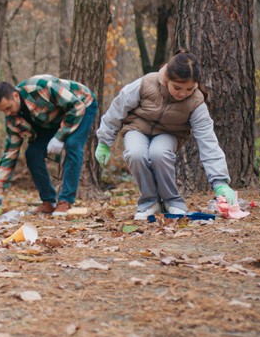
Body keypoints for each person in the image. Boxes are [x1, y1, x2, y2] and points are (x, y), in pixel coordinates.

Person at [93, 50, 237, 220]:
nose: (182, 93)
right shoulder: (146, 84)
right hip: (137, 128)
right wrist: (104, 141)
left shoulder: (196, 102)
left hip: (170, 133)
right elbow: (117, 109)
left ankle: (172, 201)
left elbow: (208, 140)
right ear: (167, 78)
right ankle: (149, 202)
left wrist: (220, 182)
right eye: (177, 87)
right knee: (135, 154)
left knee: (158, 154)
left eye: (189, 89)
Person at [0, 75, 98, 216]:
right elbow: (10, 153)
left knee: (72, 144)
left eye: (9, 107)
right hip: (51, 119)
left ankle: (65, 201)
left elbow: (76, 106)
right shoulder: (12, 119)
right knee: (32, 154)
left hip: (82, 104)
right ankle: (49, 202)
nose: (8, 113)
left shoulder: (41, 88)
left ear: (15, 95)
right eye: (4, 111)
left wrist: (60, 136)